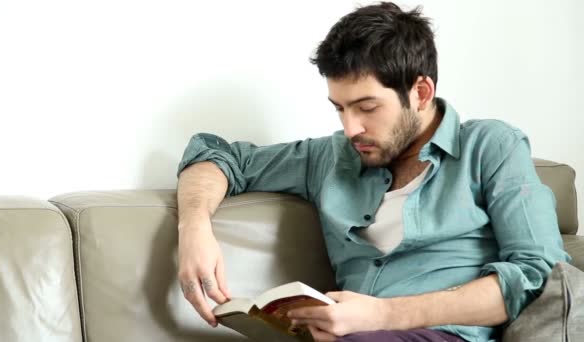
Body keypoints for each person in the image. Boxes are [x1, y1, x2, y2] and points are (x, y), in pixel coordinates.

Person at [175, 2, 571, 341]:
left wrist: (381, 315)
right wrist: (194, 229)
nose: (351, 129)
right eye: (339, 108)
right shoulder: (329, 158)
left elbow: (536, 274)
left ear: (420, 93)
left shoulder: (490, 146)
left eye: (366, 108)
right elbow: (216, 154)